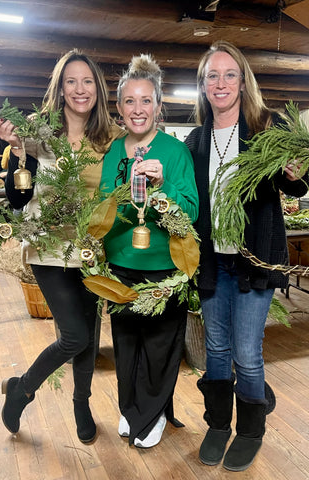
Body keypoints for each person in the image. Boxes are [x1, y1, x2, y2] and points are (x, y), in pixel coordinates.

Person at [184, 41, 309, 471]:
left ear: (242, 82)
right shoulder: (196, 140)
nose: (220, 84)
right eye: (211, 77)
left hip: (253, 258)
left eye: (228, 75)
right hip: (212, 262)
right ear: (203, 87)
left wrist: (297, 171)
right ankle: (218, 424)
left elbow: (297, 185)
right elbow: (189, 199)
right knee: (216, 349)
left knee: (246, 351)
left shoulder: (265, 128)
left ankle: (251, 430)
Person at [0, 49, 123, 443]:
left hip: (91, 248)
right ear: (60, 88)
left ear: (98, 88)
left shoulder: (112, 138)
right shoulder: (37, 133)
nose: (80, 89)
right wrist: (17, 151)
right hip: (48, 245)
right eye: (71, 81)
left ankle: (81, 403)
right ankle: (23, 389)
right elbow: (17, 200)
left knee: (90, 332)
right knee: (75, 335)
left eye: (87, 81)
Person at [99, 54, 199, 448]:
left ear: (159, 107)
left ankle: (152, 414)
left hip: (165, 266)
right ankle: (131, 409)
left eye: (146, 101)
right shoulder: (113, 152)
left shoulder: (175, 153)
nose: (137, 110)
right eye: (129, 102)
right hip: (121, 264)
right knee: (126, 344)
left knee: (159, 345)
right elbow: (105, 206)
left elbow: (189, 210)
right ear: (119, 108)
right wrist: (125, 196)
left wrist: (161, 187)